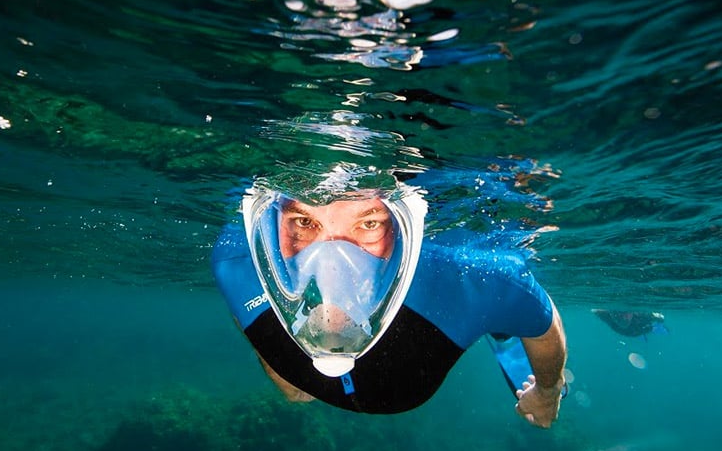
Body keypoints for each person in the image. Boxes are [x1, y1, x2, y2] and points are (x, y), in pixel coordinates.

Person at [212, 166, 567, 427]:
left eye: (368, 224)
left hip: (449, 334)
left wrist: (548, 391)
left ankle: (501, 330)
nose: (331, 265)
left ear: (398, 229)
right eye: (305, 223)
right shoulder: (238, 263)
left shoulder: (467, 278)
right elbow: (243, 308)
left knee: (504, 315)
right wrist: (278, 364)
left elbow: (543, 321)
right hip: (397, 390)